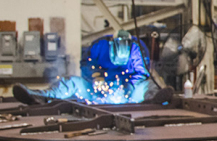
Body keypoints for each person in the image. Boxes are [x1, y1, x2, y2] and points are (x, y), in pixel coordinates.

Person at [17, 30, 155, 105]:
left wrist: (129, 87)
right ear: (111, 46)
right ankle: (40, 97)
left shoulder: (138, 49)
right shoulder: (100, 45)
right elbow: (86, 63)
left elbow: (142, 74)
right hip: (97, 91)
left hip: (128, 93)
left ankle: (155, 100)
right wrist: (96, 77)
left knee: (148, 86)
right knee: (70, 82)